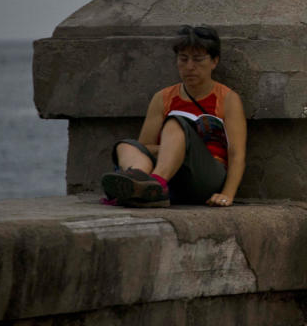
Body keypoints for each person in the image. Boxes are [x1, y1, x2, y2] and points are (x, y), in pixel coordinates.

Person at [100, 25, 247, 208]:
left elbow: (237, 155)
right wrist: (173, 149)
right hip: (174, 176)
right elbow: (144, 147)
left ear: (214, 61)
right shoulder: (163, 98)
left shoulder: (227, 99)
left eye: (198, 59)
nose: (190, 67)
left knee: (176, 123)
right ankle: (138, 182)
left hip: (205, 178)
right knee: (126, 146)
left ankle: (155, 185)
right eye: (183, 59)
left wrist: (227, 194)